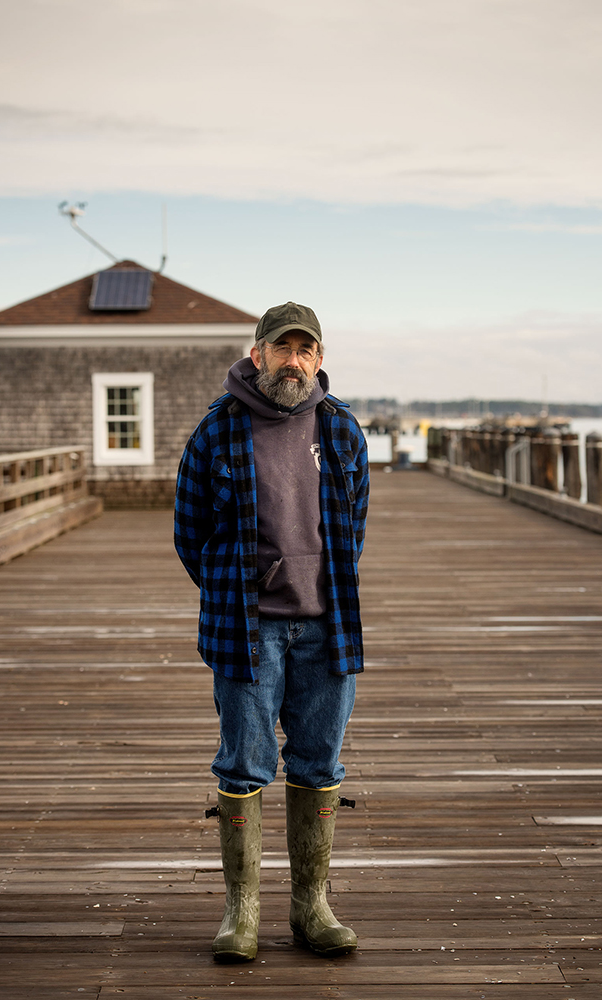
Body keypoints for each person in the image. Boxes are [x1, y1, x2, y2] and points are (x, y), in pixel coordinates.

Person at [174, 301, 369, 962]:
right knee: (243, 764)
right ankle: (242, 912)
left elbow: (355, 525)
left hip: (326, 625)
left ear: (318, 358)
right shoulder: (216, 431)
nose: (294, 361)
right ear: (256, 354)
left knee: (319, 763)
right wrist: (236, 588)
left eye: (304, 349)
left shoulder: (342, 430)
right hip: (248, 628)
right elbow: (189, 531)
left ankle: (311, 907)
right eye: (281, 349)